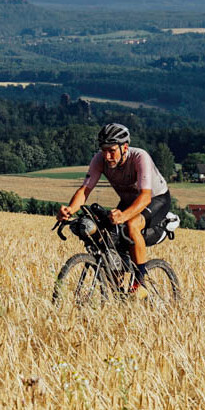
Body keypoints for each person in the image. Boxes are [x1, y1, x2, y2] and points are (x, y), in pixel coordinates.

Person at [57, 123, 170, 289]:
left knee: (131, 225)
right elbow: (85, 190)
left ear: (124, 147)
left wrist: (124, 216)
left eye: (112, 150)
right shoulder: (99, 160)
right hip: (128, 201)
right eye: (104, 150)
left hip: (156, 199)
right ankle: (118, 292)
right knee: (108, 237)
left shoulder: (140, 157)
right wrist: (70, 209)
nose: (107, 155)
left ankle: (140, 285)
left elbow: (145, 197)